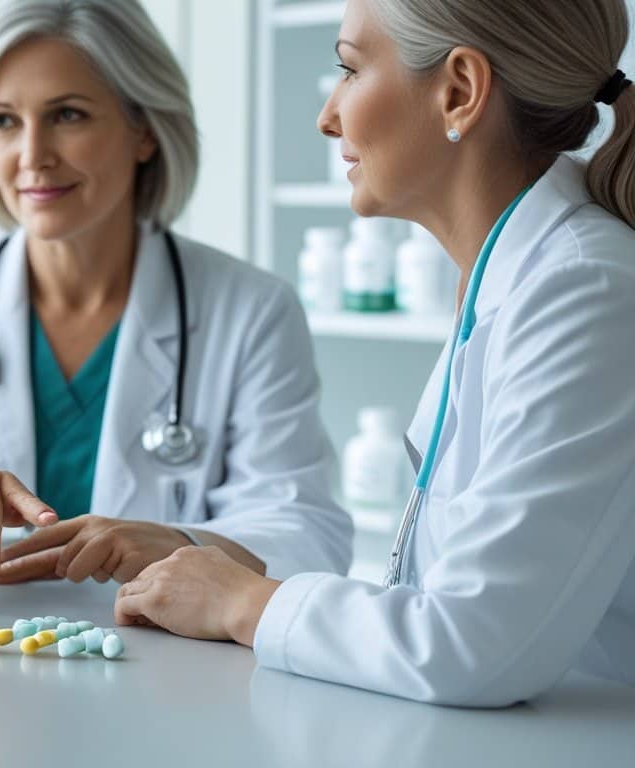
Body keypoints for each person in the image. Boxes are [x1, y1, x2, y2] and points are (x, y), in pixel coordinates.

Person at [113, 0, 635, 707]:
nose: (329, 116)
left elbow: (474, 643)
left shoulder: (583, 287)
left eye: (350, 70)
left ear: (459, 90)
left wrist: (245, 603)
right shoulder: (510, 274)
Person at [0, 0, 352, 591]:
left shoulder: (250, 311)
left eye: (67, 115)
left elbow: (306, 533)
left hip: (167, 661)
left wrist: (184, 545)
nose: (32, 156)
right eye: (4, 121)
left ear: (143, 129)